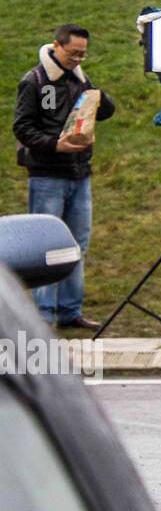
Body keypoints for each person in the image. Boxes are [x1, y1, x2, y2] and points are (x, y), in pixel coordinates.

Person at [12, 24, 117, 330]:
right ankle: (44, 316)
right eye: (73, 53)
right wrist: (55, 145)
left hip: (79, 172)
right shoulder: (34, 81)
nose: (78, 59)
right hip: (47, 174)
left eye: (83, 54)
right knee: (45, 247)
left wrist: (97, 94)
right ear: (56, 46)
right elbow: (22, 127)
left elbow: (104, 112)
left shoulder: (79, 79)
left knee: (77, 244)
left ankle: (70, 311)